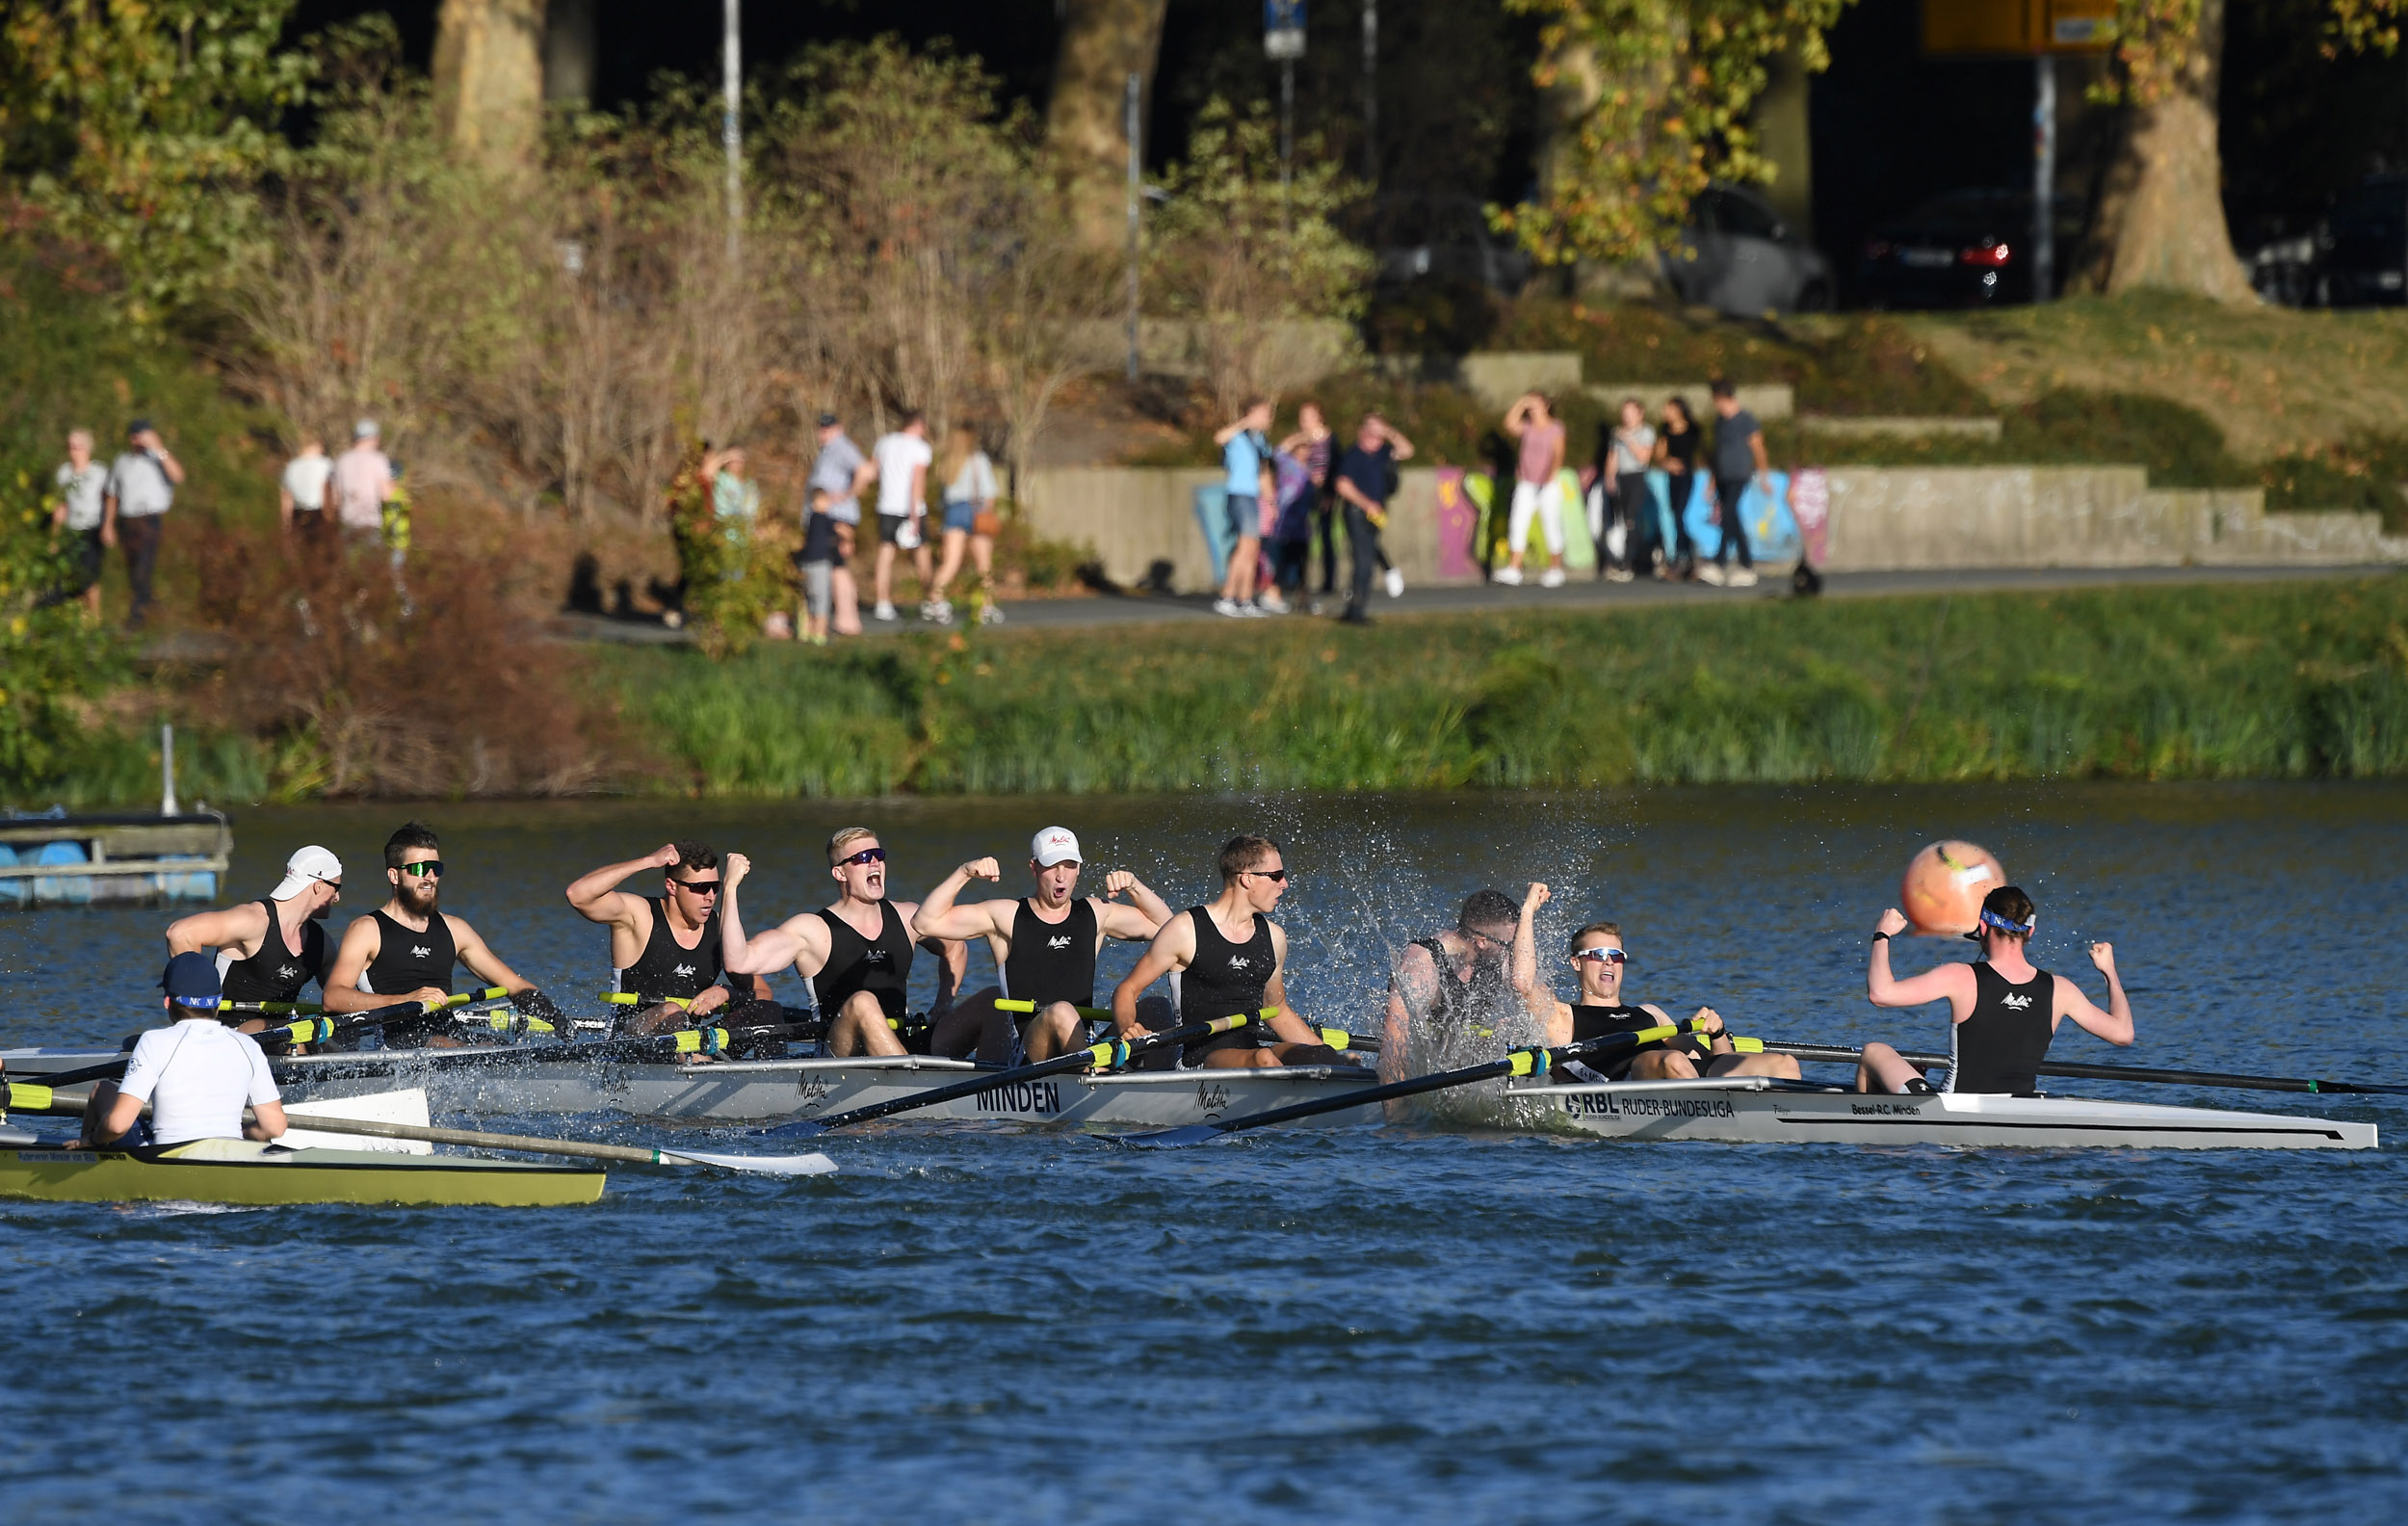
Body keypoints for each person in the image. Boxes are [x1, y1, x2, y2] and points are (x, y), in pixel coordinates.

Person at [912, 826, 1173, 1064]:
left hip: (1088, 1046)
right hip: (1029, 1052)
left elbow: (1169, 931)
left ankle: (1162, 1089)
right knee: (1061, 1012)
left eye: (1069, 865)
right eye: (1052, 866)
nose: (1061, 876)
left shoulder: (1096, 912)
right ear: (1034, 867)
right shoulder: (1006, 916)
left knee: (1157, 1007)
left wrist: (1135, 887)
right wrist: (964, 872)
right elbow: (924, 922)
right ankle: (1094, 1076)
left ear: (1079, 869)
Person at [1856, 886, 2134, 1096]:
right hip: (2018, 1110)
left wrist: (1882, 935)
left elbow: (1880, 994)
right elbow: (2123, 1034)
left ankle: (1874, 1125)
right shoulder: (2060, 989)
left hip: (1953, 1110)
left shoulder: (1960, 976)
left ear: (1983, 927)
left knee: (1874, 1051)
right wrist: (2109, 971)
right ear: (2031, 932)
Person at [1109, 834, 1352, 1069]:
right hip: (1197, 1061)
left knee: (1320, 1055)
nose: (1285, 884)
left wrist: (1330, 1058)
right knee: (1264, 1059)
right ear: (1247, 879)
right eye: (1276, 876)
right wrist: (1129, 1028)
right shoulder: (1185, 930)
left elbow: (1277, 1009)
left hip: (1253, 1054)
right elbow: (1127, 989)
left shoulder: (1274, 938)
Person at [1513, 885, 1802, 1083]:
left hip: (1688, 1075)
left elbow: (1715, 1063)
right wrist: (1527, 912)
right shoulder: (1562, 1016)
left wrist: (1717, 1032)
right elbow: (1523, 982)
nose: (1608, 962)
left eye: (1616, 955)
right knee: (1673, 1060)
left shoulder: (1652, 1013)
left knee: (1785, 1063)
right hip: (1633, 1078)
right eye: (1597, 955)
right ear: (1576, 963)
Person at [719, 828, 962, 1058]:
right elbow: (738, 961)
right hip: (839, 1056)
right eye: (864, 857)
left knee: (989, 1003)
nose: (875, 862)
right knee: (863, 1002)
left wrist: (944, 1003)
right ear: (840, 873)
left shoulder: (909, 917)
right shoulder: (813, 930)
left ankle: (992, 1091)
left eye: (879, 855)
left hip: (900, 1045)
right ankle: (909, 1081)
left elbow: (956, 948)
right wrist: (730, 889)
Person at [321, 821, 547, 1047]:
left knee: (498, 1045)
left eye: (435, 869)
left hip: (450, 1039)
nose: (429, 877)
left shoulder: (455, 929)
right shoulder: (367, 930)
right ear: (394, 876)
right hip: (399, 1045)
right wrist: (407, 1000)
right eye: (419, 869)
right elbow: (333, 997)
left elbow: (514, 985)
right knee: (474, 1048)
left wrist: (557, 1018)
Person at [75, 954, 288, 1150]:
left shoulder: (153, 1041)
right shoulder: (248, 1046)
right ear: (219, 1002)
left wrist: (92, 1139)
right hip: (228, 1154)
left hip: (166, 1161)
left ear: (167, 1002)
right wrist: (241, 1135)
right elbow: (275, 1127)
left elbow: (117, 1125)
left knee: (102, 1089)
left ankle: (83, 1155)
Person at [563, 842, 773, 1039]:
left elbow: (764, 993)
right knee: (672, 1010)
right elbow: (577, 895)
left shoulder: (719, 927)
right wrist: (649, 862)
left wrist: (726, 992)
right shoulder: (640, 916)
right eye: (700, 888)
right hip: (628, 1040)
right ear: (672, 887)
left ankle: (776, 1071)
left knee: (767, 1012)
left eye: (715, 887)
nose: (710, 897)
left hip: (690, 1042)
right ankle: (694, 1061)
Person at [162, 845, 343, 1027]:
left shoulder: (322, 944)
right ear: (318, 886)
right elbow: (180, 934)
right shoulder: (253, 921)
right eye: (336, 888)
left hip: (279, 1039)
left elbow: (341, 997)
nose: (337, 897)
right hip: (226, 1035)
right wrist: (197, 1005)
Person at [1375, 888, 1526, 1085]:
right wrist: (1401, 1115)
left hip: (1464, 1070)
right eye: (1509, 944)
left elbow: (1529, 991)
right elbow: (1392, 1052)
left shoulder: (1493, 955)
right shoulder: (1422, 964)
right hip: (1423, 1075)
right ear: (1482, 942)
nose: (1512, 951)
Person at [1330, 410, 1416, 625]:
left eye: (1378, 435)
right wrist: (1365, 503)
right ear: (1362, 433)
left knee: (1367, 558)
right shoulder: (1353, 455)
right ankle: (1355, 611)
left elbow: (1407, 450)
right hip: (1358, 513)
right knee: (1364, 562)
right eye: (1371, 433)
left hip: (1376, 515)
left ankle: (1356, 608)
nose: (1375, 439)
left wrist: (1388, 431)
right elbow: (1342, 485)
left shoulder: (1384, 452)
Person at [104, 418, 184, 629]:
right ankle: (151, 608)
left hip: (149, 519)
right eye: (135, 435)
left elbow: (178, 475)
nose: (139, 439)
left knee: (143, 566)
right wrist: (108, 525)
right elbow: (112, 495)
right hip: (128, 520)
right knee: (134, 569)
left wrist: (158, 448)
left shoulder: (159, 458)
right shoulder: (122, 461)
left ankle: (138, 616)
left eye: (143, 434)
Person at [804, 412, 874, 639]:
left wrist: (847, 494)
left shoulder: (841, 446)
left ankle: (848, 619)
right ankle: (845, 618)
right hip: (829, 516)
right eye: (821, 428)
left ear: (838, 428)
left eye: (828, 428)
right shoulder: (828, 449)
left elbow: (865, 470)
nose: (823, 432)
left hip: (837, 517)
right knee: (834, 567)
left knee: (837, 566)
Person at [927, 424, 1002, 627]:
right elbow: (989, 493)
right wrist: (988, 513)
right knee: (983, 564)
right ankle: (985, 606)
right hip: (975, 509)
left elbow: (942, 499)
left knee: (950, 562)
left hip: (952, 512)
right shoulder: (978, 460)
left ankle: (936, 600)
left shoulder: (948, 463)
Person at [1496, 393, 1567, 588]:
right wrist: (1521, 402)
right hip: (1526, 482)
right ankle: (1514, 569)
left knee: (1550, 524)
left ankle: (1556, 569)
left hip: (1547, 483)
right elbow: (1509, 424)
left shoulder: (1555, 427)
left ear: (1546, 406)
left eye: (1535, 405)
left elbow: (1558, 453)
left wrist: (1550, 476)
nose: (1532, 410)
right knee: (1518, 523)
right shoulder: (1527, 427)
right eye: (1530, 407)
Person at [1702, 379, 1767, 589]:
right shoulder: (1719, 422)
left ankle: (1719, 562)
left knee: (1728, 513)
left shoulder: (1746, 419)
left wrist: (1763, 475)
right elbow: (1717, 453)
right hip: (1722, 475)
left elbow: (1758, 447)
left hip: (1740, 474)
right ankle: (1746, 564)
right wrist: (1712, 481)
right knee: (1733, 519)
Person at [1213, 398, 1274, 618]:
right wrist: (1244, 422)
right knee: (1244, 546)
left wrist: (1270, 502)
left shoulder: (1261, 441)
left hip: (1254, 497)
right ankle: (1226, 597)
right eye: (1265, 413)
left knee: (1253, 548)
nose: (1269, 418)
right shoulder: (1237, 436)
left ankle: (1245, 599)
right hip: (1239, 495)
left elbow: (1263, 473)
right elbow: (1219, 438)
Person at [870, 411, 933, 623]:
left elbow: (872, 471)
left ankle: (882, 603)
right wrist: (915, 516)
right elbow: (917, 482)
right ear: (919, 425)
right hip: (910, 508)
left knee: (885, 555)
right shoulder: (920, 448)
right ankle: (930, 601)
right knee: (922, 555)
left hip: (887, 505)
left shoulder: (884, 443)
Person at [1280, 402, 1339, 602]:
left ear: (1319, 416)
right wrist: (1301, 437)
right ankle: (1295, 580)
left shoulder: (1331, 439)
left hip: (1323, 491)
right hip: (1301, 491)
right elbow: (1282, 453)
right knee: (1299, 536)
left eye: (1309, 416)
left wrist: (1330, 494)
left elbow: (1336, 467)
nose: (1304, 421)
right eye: (1302, 416)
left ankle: (1329, 581)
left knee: (1325, 535)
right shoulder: (1301, 439)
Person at [48, 427, 108, 620]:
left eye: (77, 446)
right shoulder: (64, 473)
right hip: (72, 531)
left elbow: (109, 501)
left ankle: (95, 618)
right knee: (74, 576)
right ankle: (82, 620)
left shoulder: (100, 472)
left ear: (87, 449)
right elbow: (60, 508)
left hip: (92, 529)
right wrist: (54, 538)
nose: (72, 451)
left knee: (89, 577)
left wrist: (109, 526)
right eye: (69, 446)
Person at [1604, 398, 1655, 584]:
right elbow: (1613, 455)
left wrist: (1627, 438)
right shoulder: (1616, 433)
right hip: (1622, 478)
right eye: (1624, 412)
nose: (1626, 416)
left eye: (1630, 412)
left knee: (1631, 519)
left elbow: (1643, 457)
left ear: (1639, 413)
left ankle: (1627, 564)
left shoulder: (1646, 432)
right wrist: (1609, 476)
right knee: (1624, 520)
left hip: (1638, 477)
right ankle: (1637, 558)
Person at [331, 419, 395, 555]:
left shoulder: (341, 460)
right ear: (374, 438)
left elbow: (335, 499)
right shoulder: (378, 459)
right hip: (370, 523)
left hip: (347, 522)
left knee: (350, 569)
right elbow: (387, 496)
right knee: (372, 569)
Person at [1654, 396, 1701, 580]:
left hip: (1688, 477)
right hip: (1673, 478)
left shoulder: (1693, 430)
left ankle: (1686, 557)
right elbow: (1659, 455)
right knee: (1675, 516)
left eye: (1669, 409)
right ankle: (1684, 558)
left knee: (1683, 515)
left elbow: (1701, 453)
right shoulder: (1665, 431)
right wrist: (1668, 463)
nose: (1665, 413)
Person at [280, 435, 334, 543]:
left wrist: (286, 525)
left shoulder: (291, 467)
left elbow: (286, 499)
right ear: (318, 446)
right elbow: (329, 493)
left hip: (298, 515)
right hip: (319, 514)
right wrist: (330, 519)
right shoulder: (326, 465)